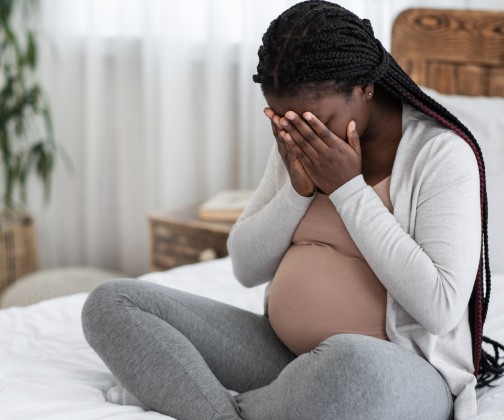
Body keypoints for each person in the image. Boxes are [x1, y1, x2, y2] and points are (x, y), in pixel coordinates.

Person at [81, 1, 504, 419]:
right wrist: (297, 194)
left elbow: (440, 307)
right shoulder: (299, 139)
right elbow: (246, 268)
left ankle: (199, 401)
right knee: (112, 302)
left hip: (390, 371)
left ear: (364, 87)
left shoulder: (441, 155)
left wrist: (348, 190)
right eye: (285, 120)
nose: (302, 133)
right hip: (280, 355)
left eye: (319, 120)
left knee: (351, 361)